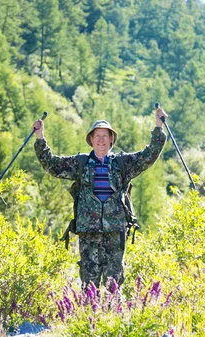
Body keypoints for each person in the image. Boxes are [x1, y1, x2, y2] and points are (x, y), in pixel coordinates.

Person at [32, 107, 167, 289]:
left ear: (111, 139)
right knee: (89, 286)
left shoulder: (122, 164)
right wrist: (40, 137)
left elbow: (149, 155)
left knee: (114, 285)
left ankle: (112, 317)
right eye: (97, 136)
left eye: (105, 135)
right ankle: (89, 317)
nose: (101, 139)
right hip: (89, 233)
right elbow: (51, 164)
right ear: (90, 140)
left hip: (115, 232)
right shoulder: (80, 163)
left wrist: (159, 126)